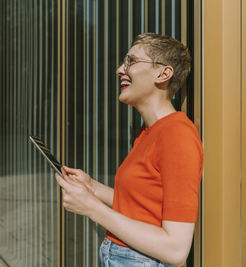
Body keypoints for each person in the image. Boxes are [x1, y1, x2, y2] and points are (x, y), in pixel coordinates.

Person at [55, 33, 203, 267]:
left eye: (131, 61)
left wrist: (92, 208)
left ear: (163, 74)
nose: (119, 70)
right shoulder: (148, 132)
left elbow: (175, 249)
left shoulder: (177, 135)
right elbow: (138, 206)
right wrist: (91, 187)